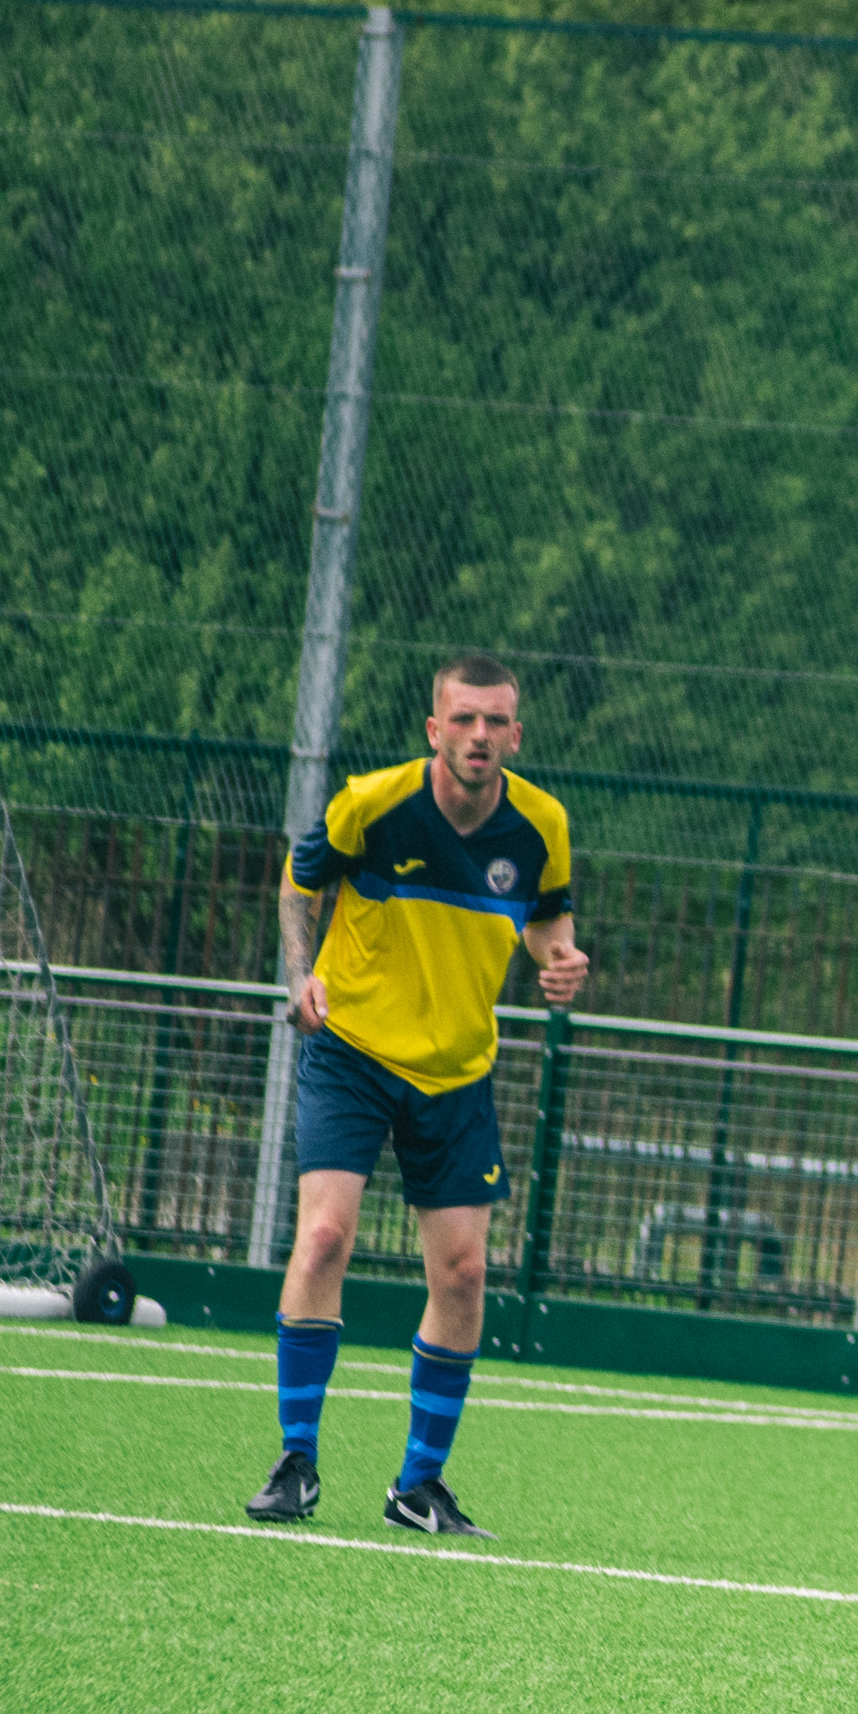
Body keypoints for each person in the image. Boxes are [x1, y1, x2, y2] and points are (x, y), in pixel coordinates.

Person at [245, 654, 586, 1537]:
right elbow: (299, 879)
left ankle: (418, 1486)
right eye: (464, 720)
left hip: (458, 1071)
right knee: (322, 1236)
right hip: (353, 1050)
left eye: (497, 721)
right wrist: (300, 976)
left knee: (465, 1273)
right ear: (435, 730)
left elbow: (548, 918)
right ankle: (296, 1460)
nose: (481, 735)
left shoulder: (541, 824)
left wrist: (559, 960)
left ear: (516, 733)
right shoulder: (373, 803)